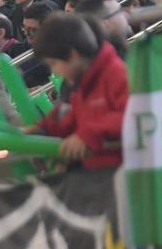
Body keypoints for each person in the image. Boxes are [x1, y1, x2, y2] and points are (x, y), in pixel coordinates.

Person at [30, 13, 128, 167]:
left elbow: (128, 115)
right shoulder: (81, 83)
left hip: (119, 172)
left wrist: (87, 135)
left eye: (53, 63)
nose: (54, 72)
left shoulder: (115, 73)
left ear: (73, 55)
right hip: (94, 170)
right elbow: (72, 116)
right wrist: (44, 128)